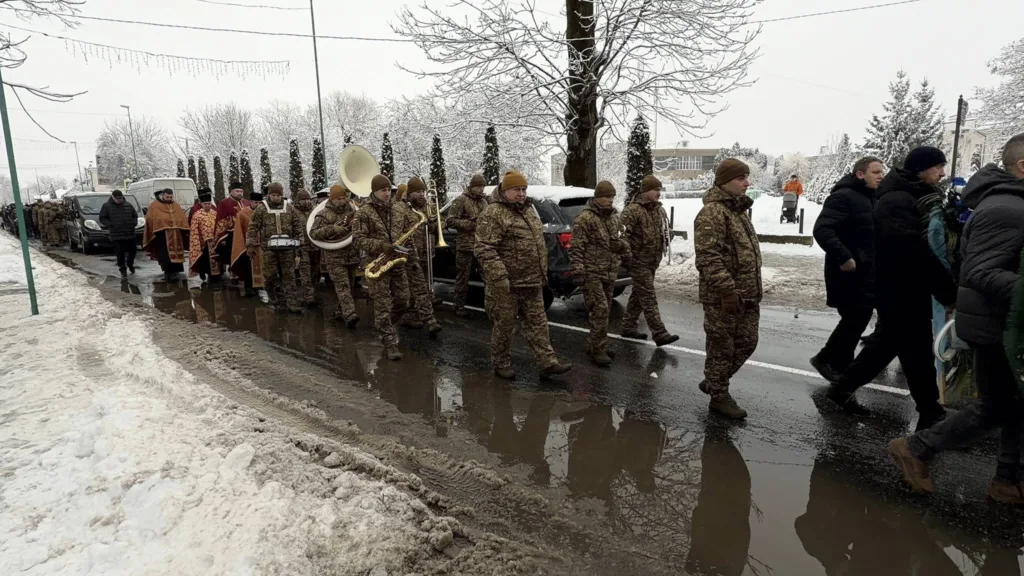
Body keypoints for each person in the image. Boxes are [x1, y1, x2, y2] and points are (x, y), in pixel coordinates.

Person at [888, 134, 1024, 504]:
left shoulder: (1012, 203)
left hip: (1003, 322)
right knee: (997, 406)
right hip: (993, 324)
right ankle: (916, 448)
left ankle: (1008, 480)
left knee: (1013, 403)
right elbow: (979, 271)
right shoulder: (1006, 209)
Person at [827, 146, 956, 430]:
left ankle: (841, 389)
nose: (942, 173)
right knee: (917, 352)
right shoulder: (896, 200)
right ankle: (930, 412)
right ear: (921, 169)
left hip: (904, 286)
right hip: (898, 287)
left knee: (886, 345)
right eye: (938, 167)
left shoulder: (914, 195)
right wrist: (946, 290)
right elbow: (913, 250)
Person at [475, 170, 572, 381]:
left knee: (538, 324)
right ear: (505, 190)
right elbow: (484, 248)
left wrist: (542, 273)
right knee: (504, 326)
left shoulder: (528, 210)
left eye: (523, 189)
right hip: (508, 285)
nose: (521, 193)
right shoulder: (494, 213)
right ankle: (501, 363)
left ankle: (547, 363)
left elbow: (537, 243)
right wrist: (500, 276)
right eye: (516, 190)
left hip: (532, 282)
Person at [694, 159, 762, 420]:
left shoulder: (737, 211)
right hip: (724, 297)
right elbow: (708, 257)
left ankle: (714, 380)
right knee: (721, 348)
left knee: (748, 342)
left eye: (747, 177)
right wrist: (726, 291)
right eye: (740, 178)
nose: (747, 183)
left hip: (747, 295)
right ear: (724, 182)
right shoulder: (713, 213)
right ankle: (719, 396)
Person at [810, 157, 885, 381]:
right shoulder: (843, 197)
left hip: (866, 270)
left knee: (858, 318)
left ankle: (840, 369)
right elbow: (822, 230)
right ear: (860, 174)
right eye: (875, 172)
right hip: (846, 271)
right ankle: (827, 360)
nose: (881, 176)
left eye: (882, 171)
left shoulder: (871, 197)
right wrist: (844, 256)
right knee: (855, 317)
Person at [570, 180, 630, 367]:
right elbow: (576, 247)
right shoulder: (585, 219)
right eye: (606, 196)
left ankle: (596, 344)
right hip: (592, 273)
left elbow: (622, 239)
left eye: (612, 196)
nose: (610, 200)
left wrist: (623, 250)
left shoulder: (614, 217)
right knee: (600, 308)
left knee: (604, 311)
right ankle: (598, 349)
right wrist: (578, 271)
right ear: (597, 197)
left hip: (609, 272)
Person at [354, 174, 411, 361]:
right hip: (377, 263)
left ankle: (385, 326)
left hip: (396, 262)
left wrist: (410, 255)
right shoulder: (364, 212)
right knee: (383, 304)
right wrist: (381, 246)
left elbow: (406, 234)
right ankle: (389, 342)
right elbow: (358, 240)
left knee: (404, 301)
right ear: (374, 191)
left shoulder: (397, 209)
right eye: (383, 190)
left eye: (388, 190)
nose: (387, 193)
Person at [619, 175, 680, 346]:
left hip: (653, 260)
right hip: (638, 262)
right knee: (648, 296)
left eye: (660, 190)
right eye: (655, 190)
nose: (658, 193)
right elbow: (622, 236)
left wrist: (668, 235)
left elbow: (665, 231)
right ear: (645, 191)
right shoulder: (632, 211)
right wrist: (628, 257)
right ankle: (659, 333)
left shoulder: (660, 211)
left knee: (639, 294)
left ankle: (628, 326)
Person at [246, 182, 304, 313]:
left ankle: (292, 303)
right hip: (269, 250)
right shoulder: (261, 209)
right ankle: (275, 298)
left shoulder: (289, 208)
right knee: (270, 275)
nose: (276, 198)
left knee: (289, 275)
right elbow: (253, 227)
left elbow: (297, 225)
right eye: (273, 195)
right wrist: (250, 245)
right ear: (269, 195)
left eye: (278, 195)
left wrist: (300, 243)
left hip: (287, 249)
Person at [309, 183, 361, 328]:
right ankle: (350, 314)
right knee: (342, 285)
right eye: (338, 199)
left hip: (352, 254)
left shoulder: (352, 209)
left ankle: (340, 311)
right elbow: (313, 233)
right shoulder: (323, 213)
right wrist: (332, 229)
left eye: (343, 198)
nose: (342, 201)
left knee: (349, 285)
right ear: (331, 199)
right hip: (335, 257)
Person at [397, 177, 442, 336]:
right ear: (410, 193)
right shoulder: (401, 208)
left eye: (423, 191)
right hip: (409, 254)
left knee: (421, 286)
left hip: (426, 251)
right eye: (417, 191)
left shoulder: (428, 206)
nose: (422, 194)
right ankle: (421, 318)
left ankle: (416, 315)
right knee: (414, 287)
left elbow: (439, 225)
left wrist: (434, 225)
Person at [446, 173, 490, 316]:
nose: (481, 189)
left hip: (482, 246)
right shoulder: (461, 200)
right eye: (478, 186)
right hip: (465, 246)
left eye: (483, 186)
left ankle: (492, 308)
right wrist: (470, 224)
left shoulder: (484, 202)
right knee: (463, 278)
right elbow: (450, 221)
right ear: (472, 187)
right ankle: (458, 306)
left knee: (489, 277)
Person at [215, 182, 260, 296]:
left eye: (241, 191)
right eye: (237, 191)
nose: (239, 193)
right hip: (231, 234)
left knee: (247, 258)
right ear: (231, 191)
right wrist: (222, 236)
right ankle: (234, 274)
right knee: (234, 254)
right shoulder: (224, 203)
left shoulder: (247, 202)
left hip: (246, 234)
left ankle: (247, 278)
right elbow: (220, 220)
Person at [142, 188, 189, 281]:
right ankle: (168, 272)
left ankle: (176, 272)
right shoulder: (154, 205)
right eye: (167, 197)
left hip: (176, 234)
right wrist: (161, 224)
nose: (169, 199)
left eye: (171, 197)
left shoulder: (176, 205)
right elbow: (150, 219)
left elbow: (181, 217)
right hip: (162, 235)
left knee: (177, 253)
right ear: (163, 196)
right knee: (165, 256)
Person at [99, 189, 139, 277]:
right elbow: (102, 218)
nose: (119, 200)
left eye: (120, 198)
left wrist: (134, 223)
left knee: (133, 251)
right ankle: (123, 269)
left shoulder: (128, 205)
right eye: (117, 198)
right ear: (113, 197)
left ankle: (130, 264)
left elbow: (135, 215)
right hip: (116, 234)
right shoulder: (107, 206)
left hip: (130, 233)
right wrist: (110, 224)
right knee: (120, 254)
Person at [291, 189, 319, 306]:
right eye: (304, 199)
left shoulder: (314, 210)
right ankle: (309, 295)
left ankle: (313, 291)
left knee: (315, 271)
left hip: (315, 245)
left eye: (308, 199)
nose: (306, 201)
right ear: (298, 200)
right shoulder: (293, 211)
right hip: (302, 246)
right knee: (305, 271)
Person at [188, 189, 220, 282]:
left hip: (214, 241)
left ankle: (215, 276)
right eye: (205, 204)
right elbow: (194, 230)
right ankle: (206, 274)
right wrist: (198, 241)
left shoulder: (215, 213)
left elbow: (219, 225)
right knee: (206, 260)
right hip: (203, 243)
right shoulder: (197, 215)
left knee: (216, 259)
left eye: (209, 204)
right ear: (201, 204)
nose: (207, 205)